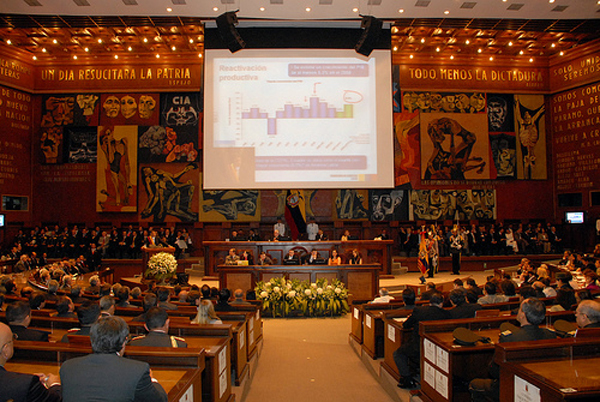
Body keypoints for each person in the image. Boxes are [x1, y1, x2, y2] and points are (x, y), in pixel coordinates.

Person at [60, 316, 168, 402]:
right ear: (123, 342)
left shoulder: (67, 367)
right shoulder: (138, 371)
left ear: (92, 340)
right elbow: (160, 400)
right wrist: (152, 380)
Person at [469, 298, 556, 402]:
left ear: (523, 315)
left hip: (513, 385)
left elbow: (494, 371)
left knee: (474, 384)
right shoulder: (551, 335)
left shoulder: (509, 338)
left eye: (519, 309)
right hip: (542, 385)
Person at [393, 294, 451, 388]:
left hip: (418, 345)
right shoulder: (447, 314)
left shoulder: (419, 311)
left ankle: (407, 380)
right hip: (440, 345)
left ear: (429, 302)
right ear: (441, 304)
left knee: (398, 354)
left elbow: (406, 325)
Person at [0, 322, 61, 401]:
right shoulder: (24, 384)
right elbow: (56, 400)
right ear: (6, 350)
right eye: (12, 339)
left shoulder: (25, 382)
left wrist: (27, 380)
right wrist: (54, 384)